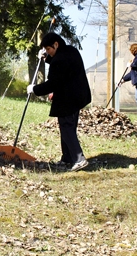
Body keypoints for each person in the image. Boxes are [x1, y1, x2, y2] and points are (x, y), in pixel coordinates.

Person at [27, 32, 92, 172]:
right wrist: (46, 58)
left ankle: (79, 159)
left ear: (56, 44)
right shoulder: (71, 51)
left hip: (67, 98)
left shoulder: (59, 60)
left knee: (67, 127)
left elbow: (52, 83)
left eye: (48, 49)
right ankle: (67, 158)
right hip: (78, 96)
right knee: (69, 127)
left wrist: (34, 89)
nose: (48, 52)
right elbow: (62, 66)